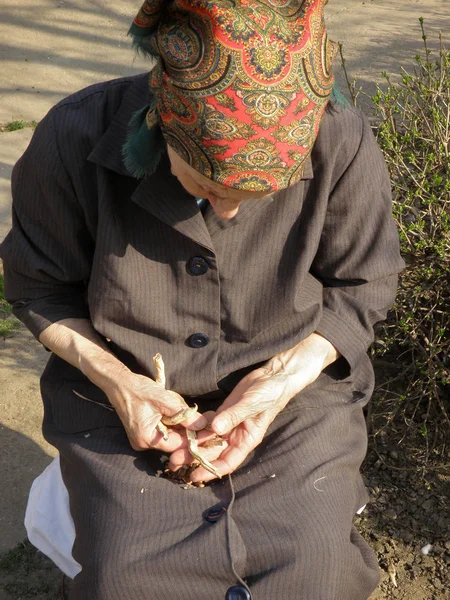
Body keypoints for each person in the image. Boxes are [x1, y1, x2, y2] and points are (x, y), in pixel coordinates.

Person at [0, 0, 405, 598]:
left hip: (295, 399)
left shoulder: (339, 139)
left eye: (258, 194)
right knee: (126, 578)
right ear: (163, 119)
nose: (231, 211)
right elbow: (39, 287)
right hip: (124, 405)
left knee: (313, 571)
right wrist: (119, 382)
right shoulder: (71, 137)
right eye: (208, 184)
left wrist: (278, 381)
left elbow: (363, 284)